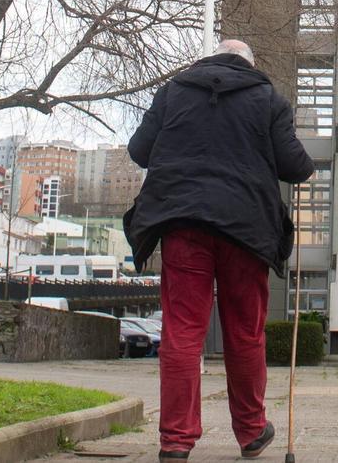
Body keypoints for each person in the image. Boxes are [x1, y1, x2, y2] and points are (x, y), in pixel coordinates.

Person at [126, 39, 314, 461]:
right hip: (245, 230)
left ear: (209, 60)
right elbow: (296, 166)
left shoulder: (173, 92)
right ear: (249, 65)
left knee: (182, 331)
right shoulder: (267, 98)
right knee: (245, 332)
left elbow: (139, 152)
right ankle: (250, 431)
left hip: (184, 224)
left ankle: (175, 439)